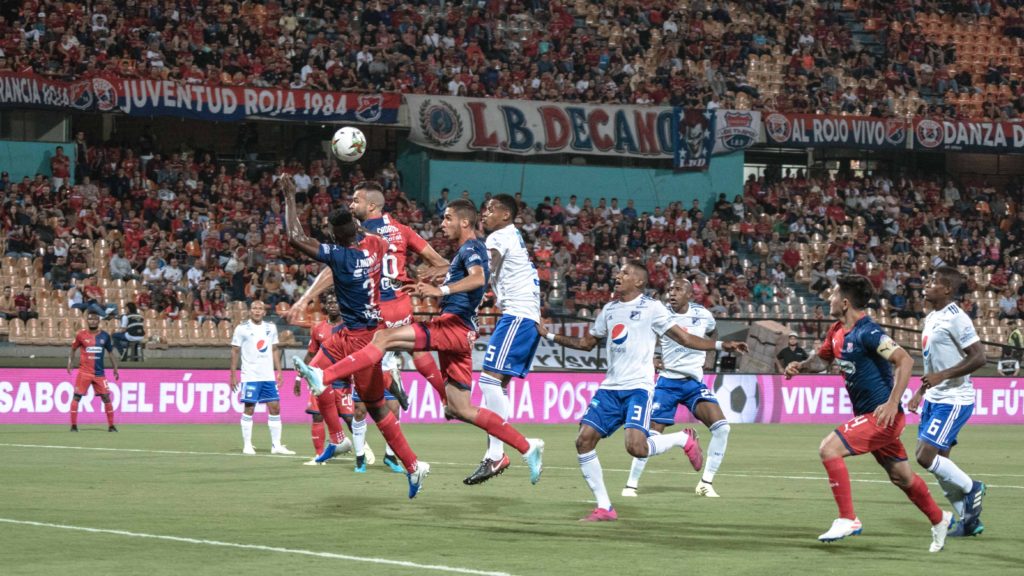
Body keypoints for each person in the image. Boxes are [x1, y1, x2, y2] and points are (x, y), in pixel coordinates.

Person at [293, 199, 545, 486]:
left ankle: (325, 376)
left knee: (384, 337)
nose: (442, 224)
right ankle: (527, 446)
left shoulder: (473, 247)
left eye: (448, 218)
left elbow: (478, 279)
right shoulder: (465, 251)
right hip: (461, 333)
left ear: (464, 221)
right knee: (460, 408)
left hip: (453, 327)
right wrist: (441, 275)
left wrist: (442, 289)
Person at [538, 261, 748, 521]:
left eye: (625, 273)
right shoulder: (609, 310)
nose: (618, 275)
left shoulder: (652, 308)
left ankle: (682, 439)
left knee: (636, 448)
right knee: (583, 441)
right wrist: (548, 336)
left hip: (638, 388)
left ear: (639, 281)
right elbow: (585, 343)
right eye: (619, 272)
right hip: (610, 388)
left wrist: (721, 345)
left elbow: (684, 338)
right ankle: (604, 507)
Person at [283, 176, 430, 498]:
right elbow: (362, 233)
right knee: (315, 375)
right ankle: (339, 440)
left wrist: (289, 196)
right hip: (350, 332)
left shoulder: (339, 256)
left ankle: (413, 464)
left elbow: (295, 237)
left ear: (335, 236)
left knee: (376, 407)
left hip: (363, 339)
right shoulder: (376, 245)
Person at [785, 275, 952, 552]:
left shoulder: (869, 333)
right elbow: (822, 360)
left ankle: (848, 518)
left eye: (833, 294)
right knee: (901, 477)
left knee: (829, 449)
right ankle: (939, 519)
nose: (829, 299)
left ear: (845, 302)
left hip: (883, 417)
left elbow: (904, 360)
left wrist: (892, 402)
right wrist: (800, 366)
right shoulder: (837, 331)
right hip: (869, 417)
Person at [622, 277, 730, 498]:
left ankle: (706, 483)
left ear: (690, 294)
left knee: (722, 428)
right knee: (648, 437)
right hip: (667, 383)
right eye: (670, 289)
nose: (672, 292)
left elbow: (713, 331)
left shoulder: (703, 314)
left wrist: (710, 357)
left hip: (693, 383)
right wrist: (652, 357)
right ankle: (631, 484)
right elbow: (641, 337)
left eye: (678, 289)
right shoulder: (660, 314)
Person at [463, 194, 543, 485]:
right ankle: (494, 455)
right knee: (496, 386)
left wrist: (449, 286)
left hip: (517, 316)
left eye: (490, 209)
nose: (485, 213)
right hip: (525, 316)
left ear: (506, 215)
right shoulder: (511, 235)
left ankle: (502, 452)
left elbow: (484, 272)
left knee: (488, 381)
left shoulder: (500, 237)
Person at [908, 267, 988, 537]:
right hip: (934, 397)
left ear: (947, 290)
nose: (927, 284)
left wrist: (942, 376)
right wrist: (921, 391)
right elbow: (933, 362)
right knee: (941, 465)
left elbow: (979, 357)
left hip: (954, 400)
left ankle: (972, 487)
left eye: (933, 282)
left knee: (924, 456)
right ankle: (969, 522)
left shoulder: (957, 318)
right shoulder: (932, 316)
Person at [294, 292, 355, 465]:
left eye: (336, 302)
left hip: (342, 379)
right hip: (320, 379)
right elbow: (311, 355)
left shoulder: (348, 327)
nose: (333, 305)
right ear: (325, 306)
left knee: (349, 418)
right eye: (329, 302)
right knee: (317, 416)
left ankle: (362, 449)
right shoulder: (318, 328)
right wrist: (299, 377)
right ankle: (319, 455)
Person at [229, 300, 295, 456]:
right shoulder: (241, 328)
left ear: (264, 312)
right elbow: (235, 351)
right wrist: (233, 374)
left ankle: (276, 445)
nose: (257, 311)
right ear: (250, 311)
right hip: (250, 375)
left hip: (268, 375)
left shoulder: (270, 328)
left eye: (260, 308)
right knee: (249, 408)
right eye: (254, 308)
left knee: (275, 407)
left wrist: (279, 371)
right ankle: (247, 445)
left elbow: (274, 349)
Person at [67, 312, 120, 432]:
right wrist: (70, 362)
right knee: (77, 397)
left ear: (98, 321)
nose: (93, 321)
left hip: (99, 374)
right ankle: (73, 426)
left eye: (95, 319)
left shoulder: (105, 336)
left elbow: (110, 352)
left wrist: (115, 368)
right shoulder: (80, 335)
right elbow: (73, 349)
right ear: (87, 321)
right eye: (90, 319)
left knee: (106, 398)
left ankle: (111, 426)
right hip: (84, 373)